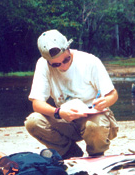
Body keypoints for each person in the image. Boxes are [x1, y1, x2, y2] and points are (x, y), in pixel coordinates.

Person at [24, 29, 119, 159]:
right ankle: (69, 152)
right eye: (56, 64)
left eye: (66, 60)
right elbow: (37, 104)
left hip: (93, 118)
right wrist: (58, 112)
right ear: (47, 61)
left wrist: (105, 101)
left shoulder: (90, 61)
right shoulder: (42, 65)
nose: (62, 66)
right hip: (65, 118)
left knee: (93, 126)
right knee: (33, 122)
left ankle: (96, 154)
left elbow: (113, 94)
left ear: (68, 48)